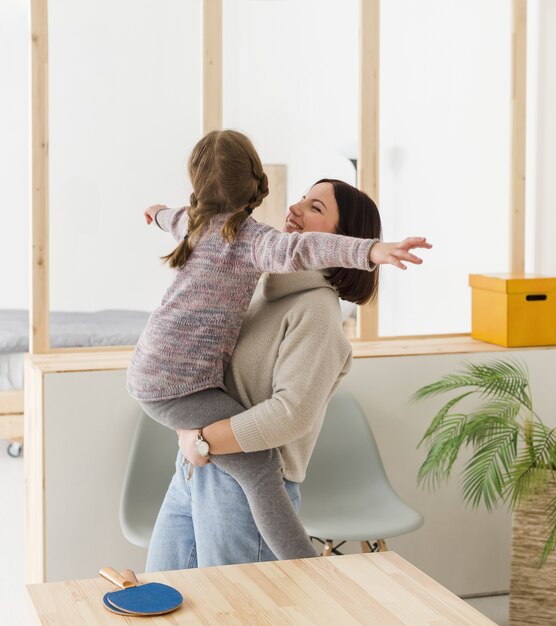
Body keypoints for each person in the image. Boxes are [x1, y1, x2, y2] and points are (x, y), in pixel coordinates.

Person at [130, 129, 432, 562]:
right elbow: (200, 378)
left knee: (233, 612)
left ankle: (310, 572)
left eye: (315, 207)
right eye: (302, 198)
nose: (295, 208)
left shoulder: (317, 312)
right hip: (198, 470)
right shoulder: (257, 282)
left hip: (233, 482)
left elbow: (289, 415)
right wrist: (192, 438)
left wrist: (372, 251)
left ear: (339, 238)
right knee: (165, 596)